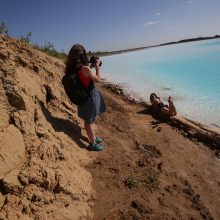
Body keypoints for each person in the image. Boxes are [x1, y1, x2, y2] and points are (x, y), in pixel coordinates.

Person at [65, 44, 106, 151]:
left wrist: (89, 67)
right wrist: (97, 67)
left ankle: (92, 137)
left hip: (81, 97)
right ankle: (92, 144)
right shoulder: (85, 69)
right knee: (89, 122)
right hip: (90, 97)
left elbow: (81, 75)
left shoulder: (71, 69)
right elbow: (97, 80)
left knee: (88, 119)